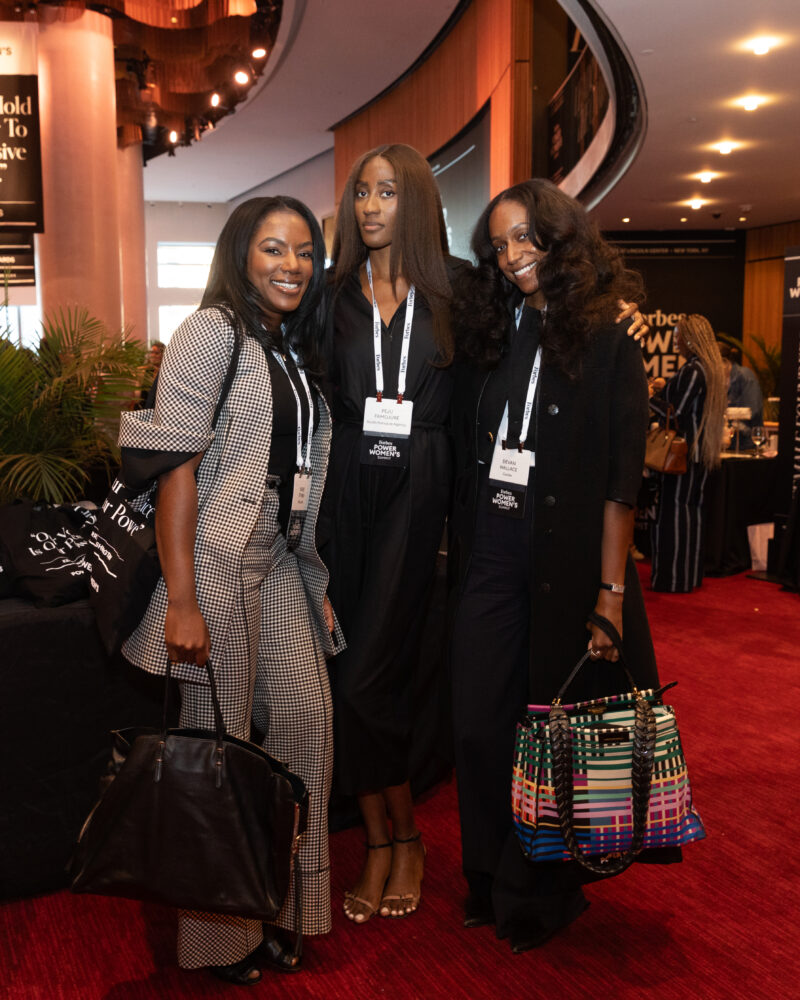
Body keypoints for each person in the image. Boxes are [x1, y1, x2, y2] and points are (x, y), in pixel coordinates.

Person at [118, 196, 343, 985]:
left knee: (308, 725)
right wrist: (182, 600)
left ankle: (284, 906)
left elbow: (295, 475)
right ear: (241, 252)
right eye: (274, 248)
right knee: (220, 746)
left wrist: (308, 573)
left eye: (305, 251)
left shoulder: (289, 346)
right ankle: (221, 935)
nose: (292, 264)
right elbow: (174, 471)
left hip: (278, 560)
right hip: (214, 558)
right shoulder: (210, 331)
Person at [448, 178, 662, 953]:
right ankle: (486, 873)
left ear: (560, 238)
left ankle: (538, 891)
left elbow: (620, 482)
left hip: (564, 563)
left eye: (525, 238)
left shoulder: (608, 341)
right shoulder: (493, 333)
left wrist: (611, 594)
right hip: (490, 553)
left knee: (551, 728)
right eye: (499, 245)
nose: (512, 256)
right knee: (478, 723)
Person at [321, 143, 465, 924]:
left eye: (386, 192)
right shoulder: (331, 296)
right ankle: (381, 840)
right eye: (361, 193)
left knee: (370, 677)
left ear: (415, 201)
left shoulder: (459, 293)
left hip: (419, 490)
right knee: (347, 673)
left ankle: (404, 837)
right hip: (345, 490)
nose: (371, 206)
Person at [649, 315, 727, 592]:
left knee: (675, 513)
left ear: (690, 339)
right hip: (698, 452)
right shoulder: (708, 368)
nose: (675, 340)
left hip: (683, 454)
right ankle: (687, 577)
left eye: (678, 334)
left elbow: (676, 414)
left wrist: (648, 398)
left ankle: (673, 579)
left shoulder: (694, 370)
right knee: (691, 512)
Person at [717, 340, 763, 449]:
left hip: (747, 444)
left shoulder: (745, 376)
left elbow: (752, 411)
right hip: (727, 444)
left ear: (724, 361)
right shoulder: (719, 379)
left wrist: (727, 417)